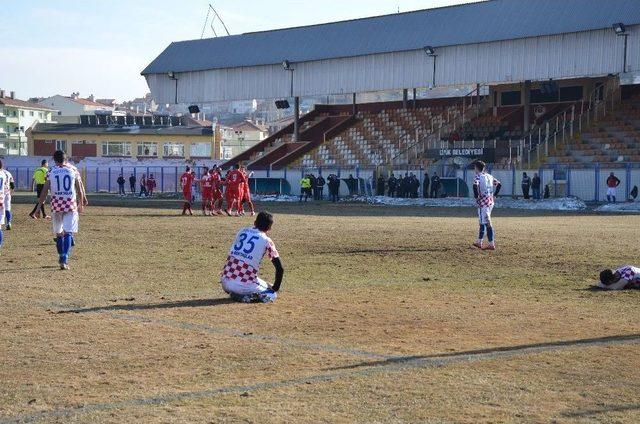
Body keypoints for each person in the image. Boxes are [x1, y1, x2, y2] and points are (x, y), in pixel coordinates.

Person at [37, 150, 88, 270]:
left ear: (54, 160)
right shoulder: (73, 169)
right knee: (68, 232)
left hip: (56, 205)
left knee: (59, 233)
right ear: (66, 159)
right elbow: (79, 188)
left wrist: (39, 207)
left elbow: (45, 190)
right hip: (70, 205)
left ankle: (61, 256)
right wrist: (82, 202)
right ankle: (64, 259)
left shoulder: (51, 170)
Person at [220, 211, 284, 303]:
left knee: (267, 284)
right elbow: (280, 268)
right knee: (271, 294)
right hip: (241, 285)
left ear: (254, 223)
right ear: (269, 228)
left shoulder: (242, 231)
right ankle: (243, 297)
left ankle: (236, 292)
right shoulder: (267, 241)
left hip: (225, 281)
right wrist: (275, 288)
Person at [472, 160, 502, 251]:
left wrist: (476, 197)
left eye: (475, 167)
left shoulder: (478, 176)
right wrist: (495, 195)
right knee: (482, 221)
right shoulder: (489, 176)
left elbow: (474, 185)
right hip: (490, 201)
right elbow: (499, 185)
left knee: (487, 222)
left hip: (483, 202)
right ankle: (479, 242)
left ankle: (491, 244)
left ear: (476, 168)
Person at [0, 163, 14, 230]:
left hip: (1, 193)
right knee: (7, 208)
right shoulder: (8, 173)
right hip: (7, 192)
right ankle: (8, 222)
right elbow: (12, 185)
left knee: (1, 209)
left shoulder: (0, 173)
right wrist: (10, 192)